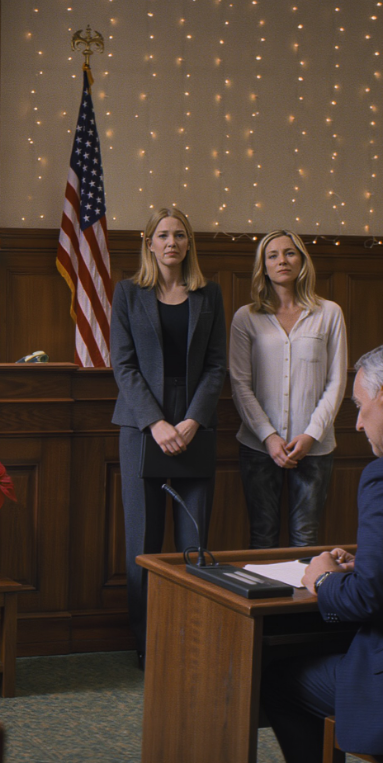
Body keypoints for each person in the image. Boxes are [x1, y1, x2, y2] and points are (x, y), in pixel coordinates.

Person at [261, 342, 383, 763]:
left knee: (277, 680)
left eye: (358, 405)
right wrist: (369, 565)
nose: (356, 423)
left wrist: (324, 578)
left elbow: (369, 599)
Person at [111, 207, 226, 668]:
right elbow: (123, 365)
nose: (171, 242)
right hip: (142, 426)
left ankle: (190, 639)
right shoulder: (128, 293)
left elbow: (216, 365)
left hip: (196, 423)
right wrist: (155, 422)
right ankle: (147, 642)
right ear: (149, 243)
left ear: (188, 243)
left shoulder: (209, 293)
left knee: (194, 542)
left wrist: (193, 419)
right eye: (163, 235)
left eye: (179, 234)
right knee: (143, 541)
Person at [229, 230, 347, 547]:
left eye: (290, 253)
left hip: (315, 446)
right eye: (273, 255)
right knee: (262, 536)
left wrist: (311, 434)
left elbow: (337, 381)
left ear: (302, 261)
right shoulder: (246, 318)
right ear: (264, 266)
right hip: (258, 445)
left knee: (306, 537)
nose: (282, 260)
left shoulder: (329, 313)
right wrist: (268, 436)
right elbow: (239, 383)